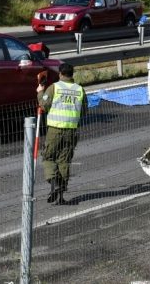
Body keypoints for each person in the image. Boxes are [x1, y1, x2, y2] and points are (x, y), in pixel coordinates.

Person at [37, 63, 87, 205]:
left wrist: (40, 91)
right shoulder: (80, 90)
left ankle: (54, 182)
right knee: (64, 161)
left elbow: (43, 105)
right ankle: (60, 196)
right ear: (72, 74)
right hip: (71, 130)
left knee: (48, 157)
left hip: (55, 129)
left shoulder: (54, 87)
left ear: (60, 74)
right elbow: (84, 111)